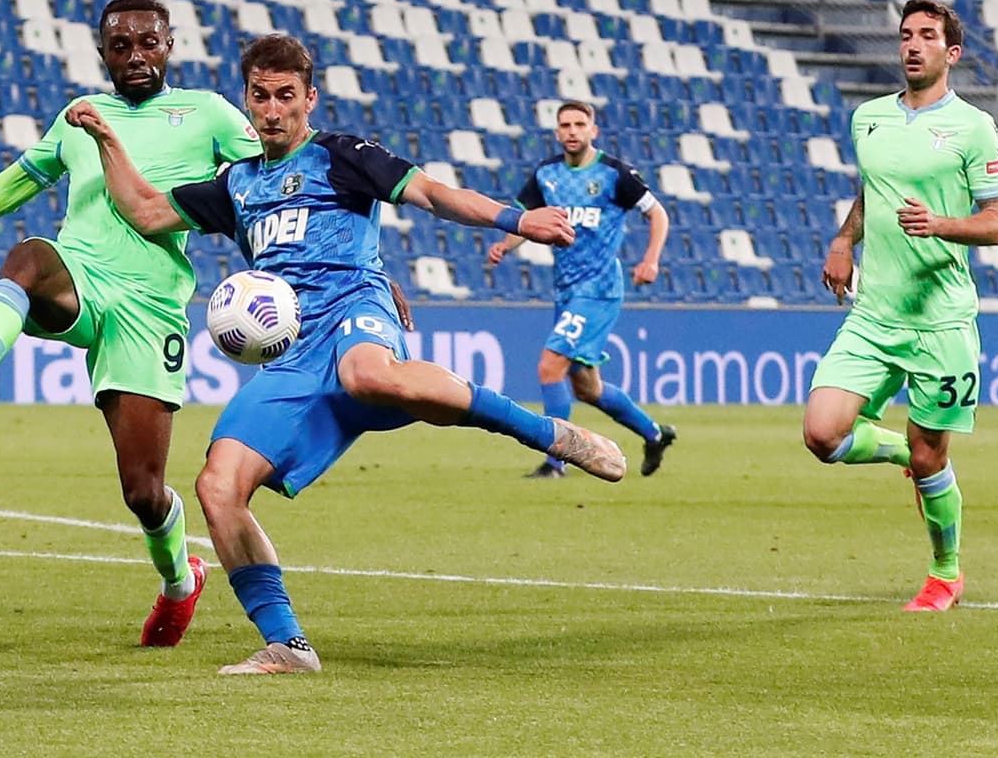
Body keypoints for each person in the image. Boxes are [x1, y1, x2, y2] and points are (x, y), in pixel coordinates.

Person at [65, 33, 626, 675]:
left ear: (310, 98)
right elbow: (143, 211)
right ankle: (286, 643)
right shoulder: (237, 183)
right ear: (246, 100)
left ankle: (548, 432)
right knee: (218, 487)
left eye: (285, 96)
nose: (272, 110)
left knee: (366, 374)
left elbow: (434, 194)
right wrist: (107, 139)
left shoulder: (343, 154)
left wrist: (515, 220)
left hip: (356, 310)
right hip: (292, 352)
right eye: (259, 96)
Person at [0, 0, 265, 646]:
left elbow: (269, 176)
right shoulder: (77, 119)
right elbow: (9, 187)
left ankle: (181, 582)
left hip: (150, 309)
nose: (135, 57)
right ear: (103, 55)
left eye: (147, 43)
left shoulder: (207, 113)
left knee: (145, 493)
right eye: (120, 47)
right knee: (29, 257)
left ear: (169, 44)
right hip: (82, 277)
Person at [802, 0, 998, 612]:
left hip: (942, 320)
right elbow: (873, 190)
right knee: (821, 434)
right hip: (875, 314)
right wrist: (844, 239)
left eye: (926, 36)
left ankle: (945, 572)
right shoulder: (868, 118)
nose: (912, 45)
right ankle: (899, 453)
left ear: (952, 53)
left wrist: (941, 223)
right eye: (905, 35)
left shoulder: (974, 127)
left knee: (933, 456)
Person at [487, 101, 677, 479]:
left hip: (599, 289)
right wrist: (504, 246)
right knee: (587, 388)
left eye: (579, 124)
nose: (572, 131)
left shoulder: (614, 174)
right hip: (566, 291)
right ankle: (655, 434)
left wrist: (651, 259)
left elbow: (657, 213)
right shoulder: (547, 175)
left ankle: (556, 462)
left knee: (549, 366)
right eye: (565, 125)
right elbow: (526, 219)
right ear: (557, 133)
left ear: (594, 130)